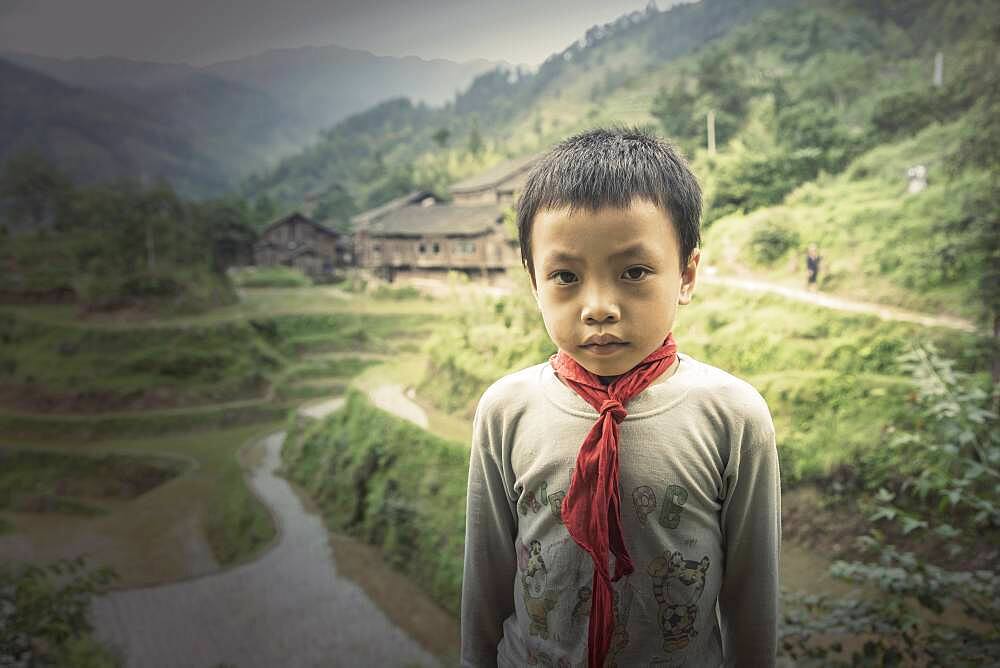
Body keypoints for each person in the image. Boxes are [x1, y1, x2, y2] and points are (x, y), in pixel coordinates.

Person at [460, 127, 781, 668]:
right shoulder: (505, 410)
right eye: (565, 275)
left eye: (634, 272)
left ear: (686, 274)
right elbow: (485, 580)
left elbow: (753, 600)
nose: (599, 307)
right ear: (533, 282)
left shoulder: (733, 415)